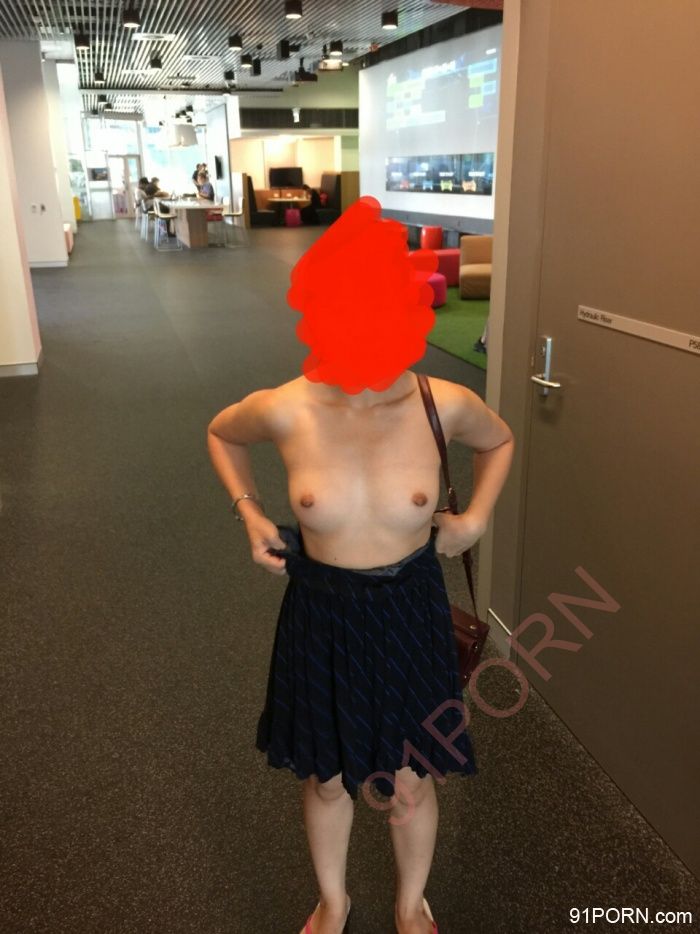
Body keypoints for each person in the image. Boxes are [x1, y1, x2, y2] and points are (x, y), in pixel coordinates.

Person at [206, 197, 514, 934]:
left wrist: (475, 519)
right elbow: (221, 433)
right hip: (322, 615)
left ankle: (410, 903)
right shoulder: (286, 408)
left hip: (411, 611)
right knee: (327, 777)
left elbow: (500, 441)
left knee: (409, 778)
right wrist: (251, 513)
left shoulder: (444, 403)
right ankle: (334, 901)